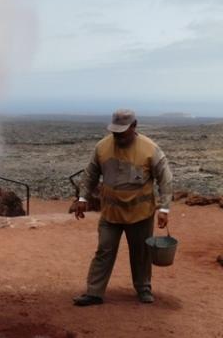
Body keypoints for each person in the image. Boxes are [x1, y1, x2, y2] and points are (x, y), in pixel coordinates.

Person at [73, 109, 173, 306]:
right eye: (115, 132)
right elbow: (90, 174)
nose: (118, 135)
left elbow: (165, 178)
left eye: (122, 131)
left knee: (141, 253)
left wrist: (164, 209)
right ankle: (94, 292)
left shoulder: (149, 149)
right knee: (104, 250)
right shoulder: (102, 147)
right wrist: (82, 197)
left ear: (134, 126)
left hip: (140, 214)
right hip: (110, 213)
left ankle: (143, 288)